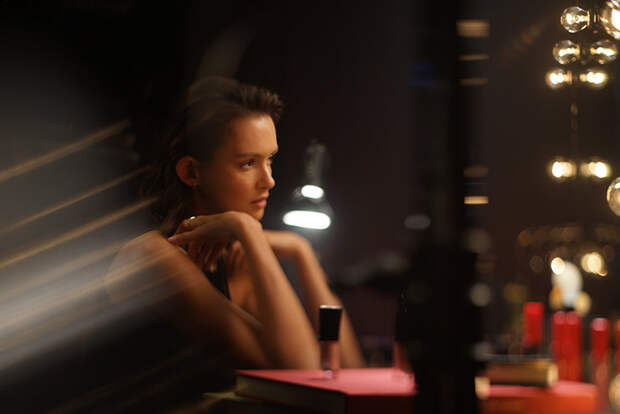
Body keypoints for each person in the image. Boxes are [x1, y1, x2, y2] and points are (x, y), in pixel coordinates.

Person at [104, 77, 364, 376]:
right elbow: (299, 373)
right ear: (191, 172)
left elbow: (350, 371)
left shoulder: (237, 258)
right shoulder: (152, 257)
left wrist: (300, 250)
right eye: (247, 163)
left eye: (269, 160)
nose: (269, 181)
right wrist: (249, 231)